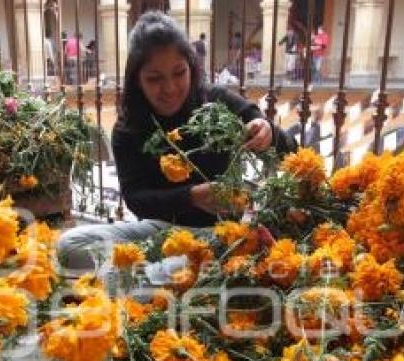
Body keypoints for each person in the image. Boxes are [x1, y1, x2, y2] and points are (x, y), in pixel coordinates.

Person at [57, 11, 297, 272]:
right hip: (162, 235)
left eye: (179, 73)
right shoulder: (129, 128)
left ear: (191, 69)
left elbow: (291, 150)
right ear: (137, 81)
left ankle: (180, 268)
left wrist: (268, 132)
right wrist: (190, 197)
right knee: (70, 246)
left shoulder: (216, 102)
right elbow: (136, 198)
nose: (170, 88)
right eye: (154, 78)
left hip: (226, 232)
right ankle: (192, 264)